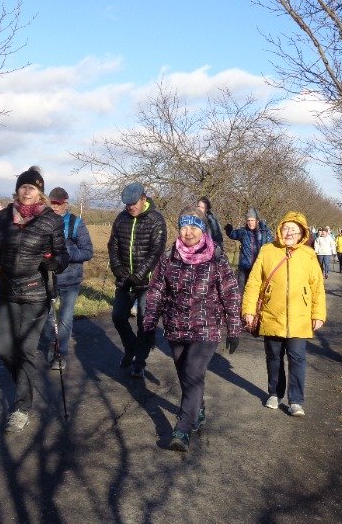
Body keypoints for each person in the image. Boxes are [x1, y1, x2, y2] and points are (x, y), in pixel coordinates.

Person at [0, 166, 69, 433]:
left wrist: (54, 264)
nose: (27, 191)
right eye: (23, 186)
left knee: (26, 349)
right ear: (17, 190)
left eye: (33, 188)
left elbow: (62, 256)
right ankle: (24, 383)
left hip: (36, 292)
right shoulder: (5, 216)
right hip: (7, 291)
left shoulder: (51, 220)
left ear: (40, 193)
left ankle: (21, 408)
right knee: (6, 349)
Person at [142, 205, 242, 452]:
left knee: (194, 371)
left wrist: (234, 328)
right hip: (175, 327)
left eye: (194, 227)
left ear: (203, 230)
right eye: (184, 227)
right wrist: (149, 325)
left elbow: (230, 293)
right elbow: (156, 292)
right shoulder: (169, 257)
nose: (188, 232)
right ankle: (198, 408)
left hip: (206, 328)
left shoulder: (216, 257)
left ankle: (183, 428)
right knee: (185, 374)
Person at [242, 211, 326, 417]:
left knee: (297, 358)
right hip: (272, 314)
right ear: (280, 229)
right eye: (286, 228)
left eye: (294, 230)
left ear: (302, 234)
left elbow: (317, 287)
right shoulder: (267, 250)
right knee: (273, 357)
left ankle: (296, 401)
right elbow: (254, 282)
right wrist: (249, 310)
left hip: (300, 317)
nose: (289, 233)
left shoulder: (309, 255)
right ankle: (274, 393)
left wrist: (318, 314)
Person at [108, 181, 167, 378]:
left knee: (144, 322)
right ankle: (131, 348)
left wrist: (139, 275)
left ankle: (139, 362)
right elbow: (113, 245)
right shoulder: (121, 218)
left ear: (143, 199)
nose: (130, 207)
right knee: (118, 317)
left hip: (147, 282)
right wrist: (117, 267)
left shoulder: (156, 220)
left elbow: (156, 251)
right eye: (127, 204)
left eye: (133, 203)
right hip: (124, 280)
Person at [39, 187, 94, 371]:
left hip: (70, 281)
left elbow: (88, 252)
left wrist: (67, 252)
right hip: (48, 279)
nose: (54, 207)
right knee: (47, 318)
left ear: (66, 204)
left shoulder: (76, 223)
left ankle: (60, 354)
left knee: (65, 319)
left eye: (58, 203)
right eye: (52, 203)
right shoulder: (43, 222)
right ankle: (52, 343)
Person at [224, 207, 274, 293]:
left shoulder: (265, 232)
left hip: (259, 268)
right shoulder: (243, 232)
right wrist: (229, 230)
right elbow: (233, 234)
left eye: (252, 220)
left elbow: (270, 248)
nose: (250, 223)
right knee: (241, 292)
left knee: (257, 292)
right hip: (244, 268)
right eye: (248, 220)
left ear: (257, 220)